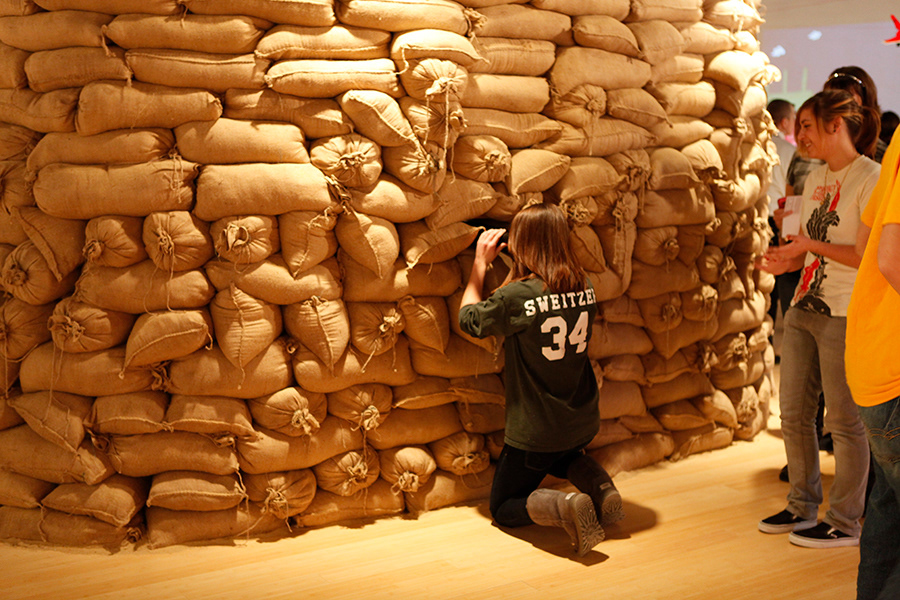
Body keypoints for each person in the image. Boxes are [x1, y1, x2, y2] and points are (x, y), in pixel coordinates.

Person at [458, 203, 623, 557]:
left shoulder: (517, 296)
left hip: (536, 430)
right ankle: (603, 490)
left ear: (523, 243)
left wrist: (479, 265)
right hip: (579, 419)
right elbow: (536, 298)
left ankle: (563, 508)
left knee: (503, 507)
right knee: (563, 455)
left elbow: (470, 319)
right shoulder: (585, 285)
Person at [756, 89, 881, 548]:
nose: (800, 135)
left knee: (844, 423)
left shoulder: (872, 177)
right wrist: (785, 260)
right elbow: (808, 245)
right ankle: (800, 504)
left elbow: (865, 254)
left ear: (836, 125)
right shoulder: (814, 179)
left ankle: (847, 520)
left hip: (846, 311)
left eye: (808, 126)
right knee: (794, 414)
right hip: (805, 303)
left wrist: (807, 247)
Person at [845, 126, 900, 600]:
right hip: (896, 367)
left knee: (886, 510)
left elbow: (865, 244)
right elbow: (891, 258)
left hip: (872, 357)